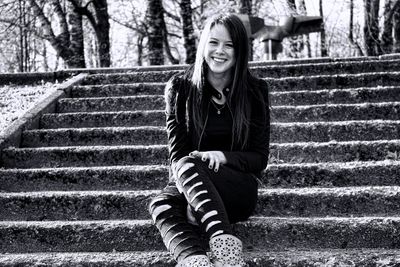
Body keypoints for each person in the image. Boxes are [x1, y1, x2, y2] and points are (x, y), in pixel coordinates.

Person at [149, 13, 270, 267]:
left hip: (236, 188)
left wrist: (222, 156)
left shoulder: (255, 91)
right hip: (192, 180)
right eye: (213, 42)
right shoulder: (180, 88)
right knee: (162, 203)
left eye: (229, 45)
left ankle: (226, 255)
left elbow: (259, 159)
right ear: (203, 44)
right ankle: (194, 261)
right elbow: (177, 155)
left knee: (190, 164)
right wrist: (194, 196)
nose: (220, 51)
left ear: (240, 51)